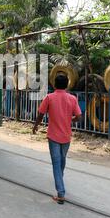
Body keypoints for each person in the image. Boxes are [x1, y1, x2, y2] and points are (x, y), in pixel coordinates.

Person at [32, 74, 82, 205]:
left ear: (54, 85)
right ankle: (60, 181)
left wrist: (36, 126)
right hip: (66, 136)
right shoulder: (72, 99)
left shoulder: (49, 97)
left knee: (56, 163)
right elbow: (79, 116)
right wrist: (71, 119)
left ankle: (60, 193)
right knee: (62, 161)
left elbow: (41, 114)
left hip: (53, 136)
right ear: (67, 85)